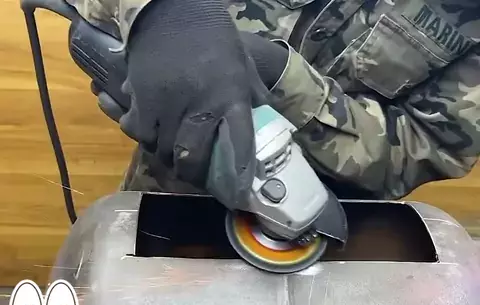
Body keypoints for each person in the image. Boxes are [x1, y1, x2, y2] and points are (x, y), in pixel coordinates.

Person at [65, 0, 480, 209]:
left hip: (324, 231)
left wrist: (280, 74)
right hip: (169, 192)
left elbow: (425, 147)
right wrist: (162, 12)